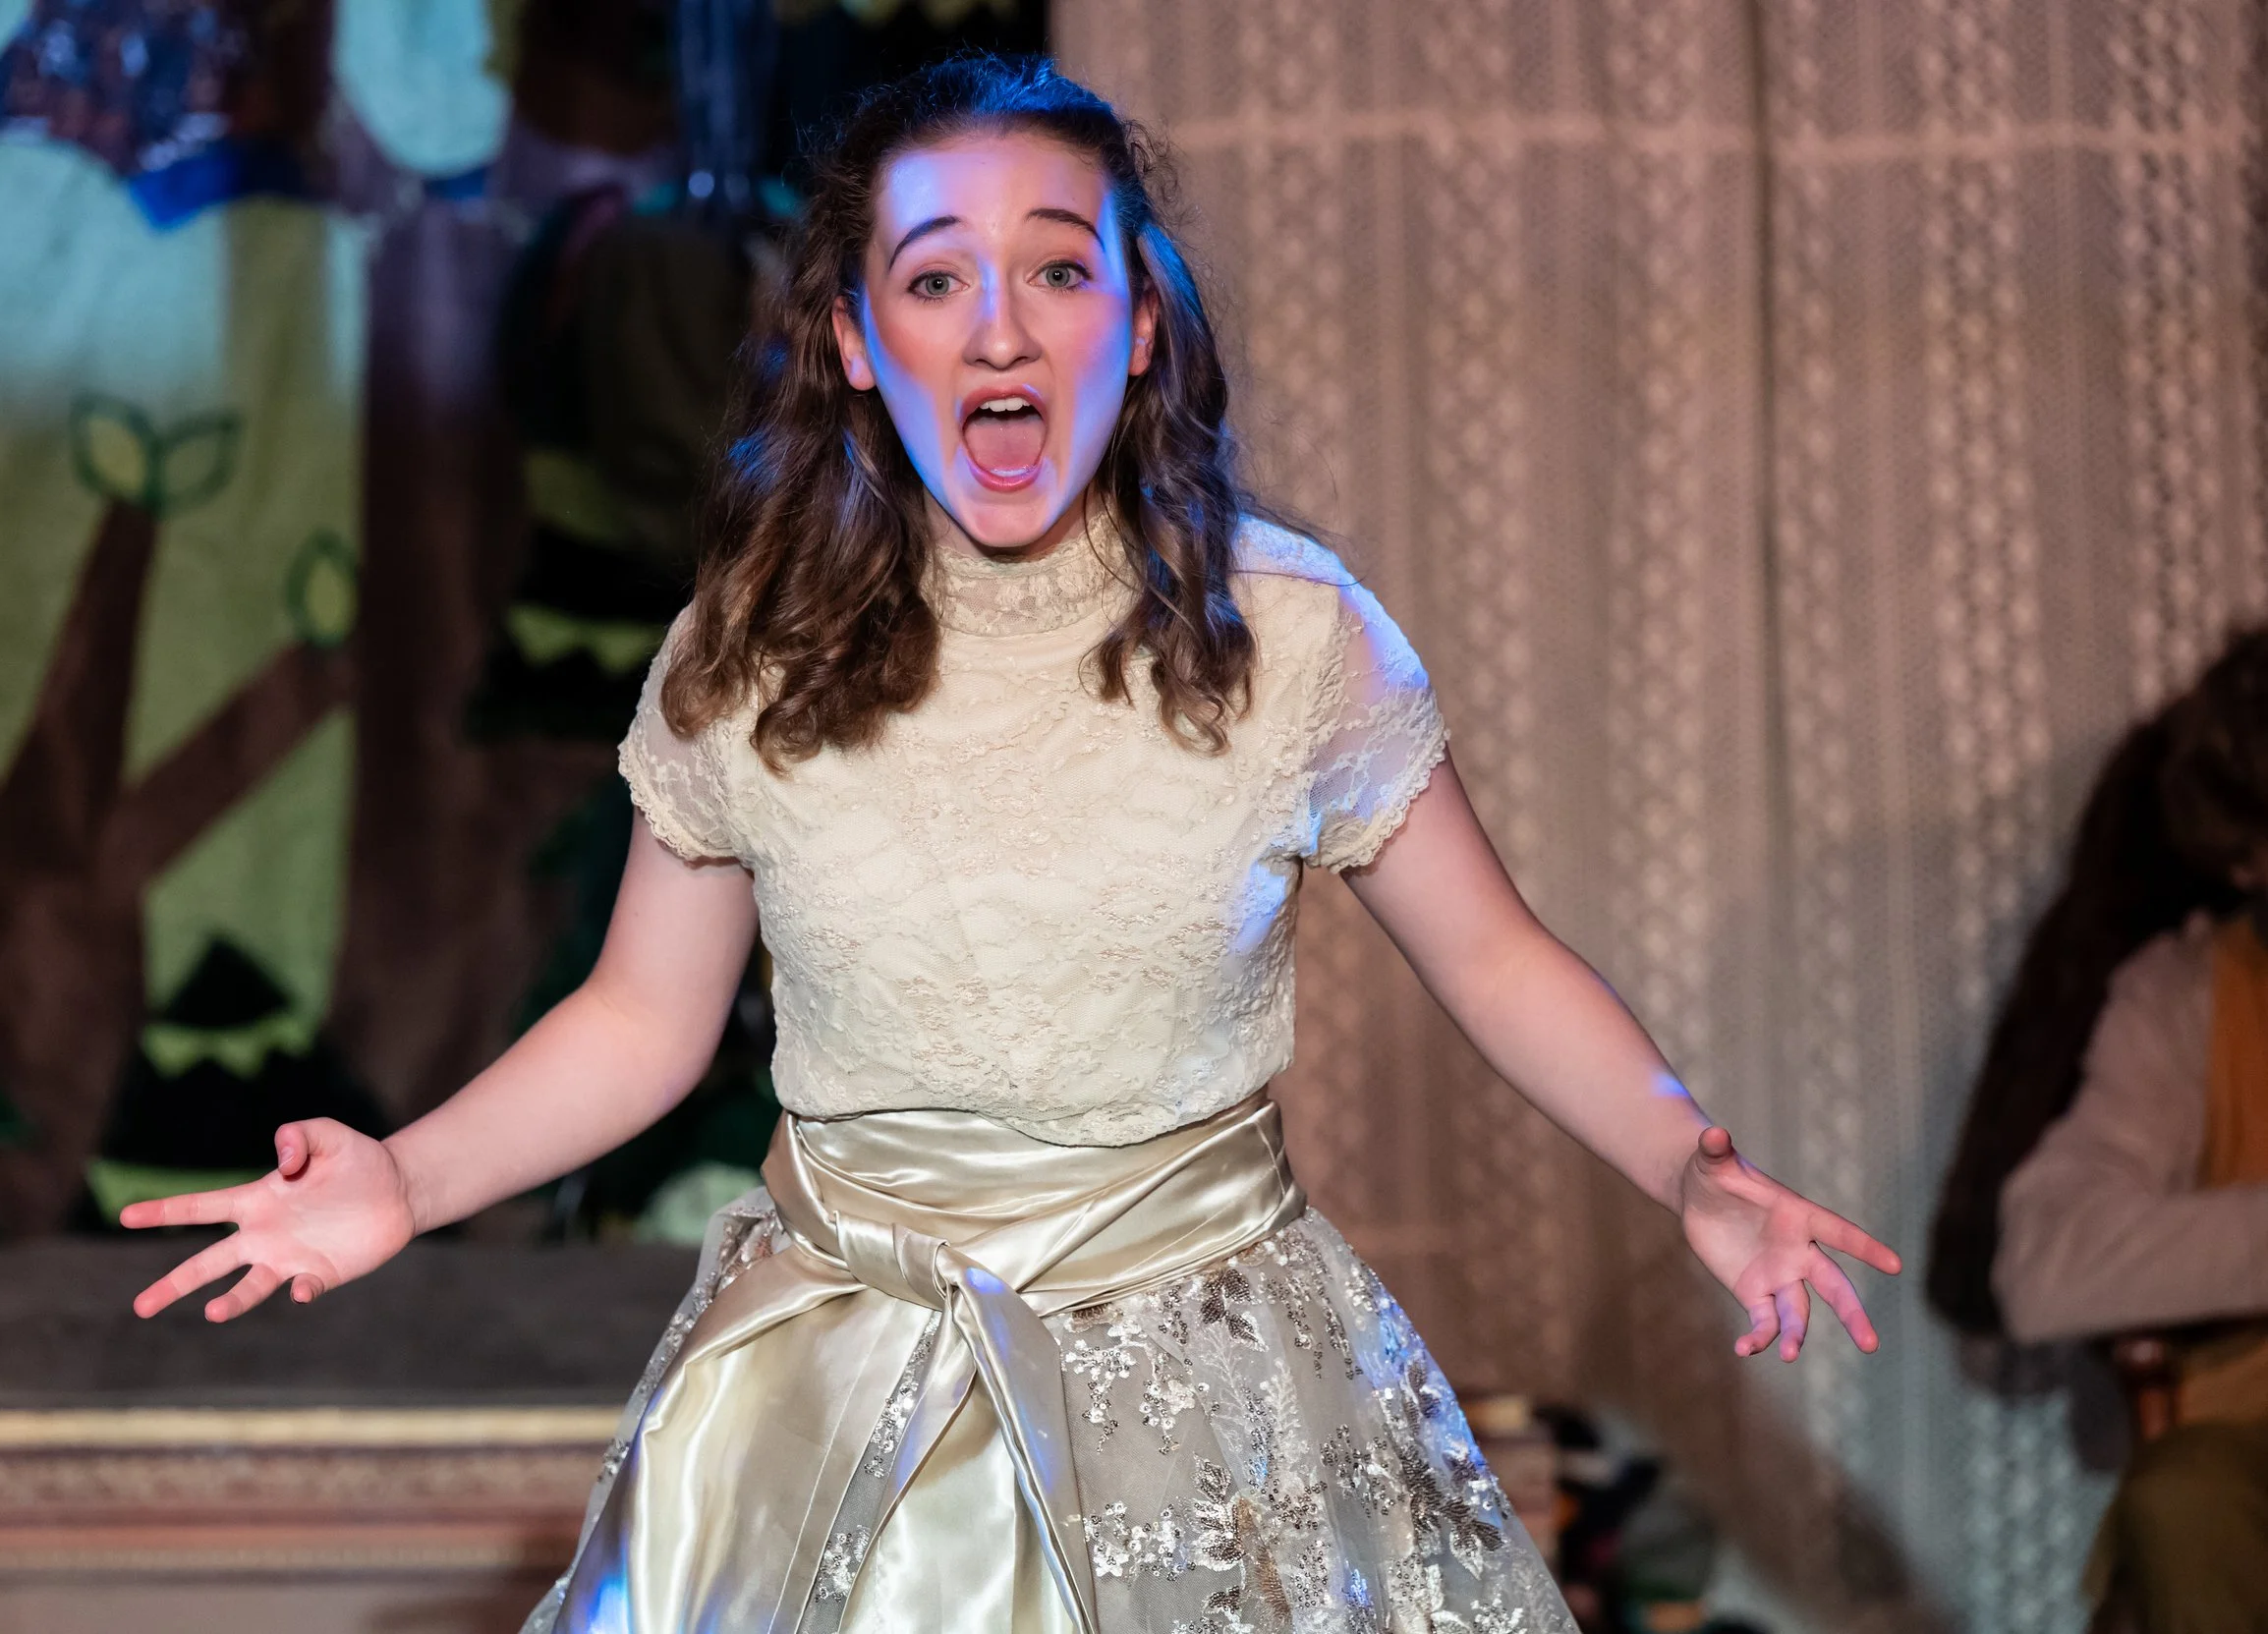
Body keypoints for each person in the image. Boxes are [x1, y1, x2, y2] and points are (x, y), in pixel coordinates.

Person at [122, 56, 1899, 1634]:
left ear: (1136, 324)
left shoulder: (1292, 636)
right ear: (852, 337)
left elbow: (1497, 959)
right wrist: (406, 1182)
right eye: (936, 277)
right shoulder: (747, 649)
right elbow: (641, 1021)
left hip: (1211, 1383)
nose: (1000, 326)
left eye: (1059, 267)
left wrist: (1690, 1167)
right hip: (830, 1383)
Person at [1950, 628, 2268, 1634]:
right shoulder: (2182, 1000)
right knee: (2183, 1500)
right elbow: (2044, 1262)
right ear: (2247, 849)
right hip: (2244, 1452)